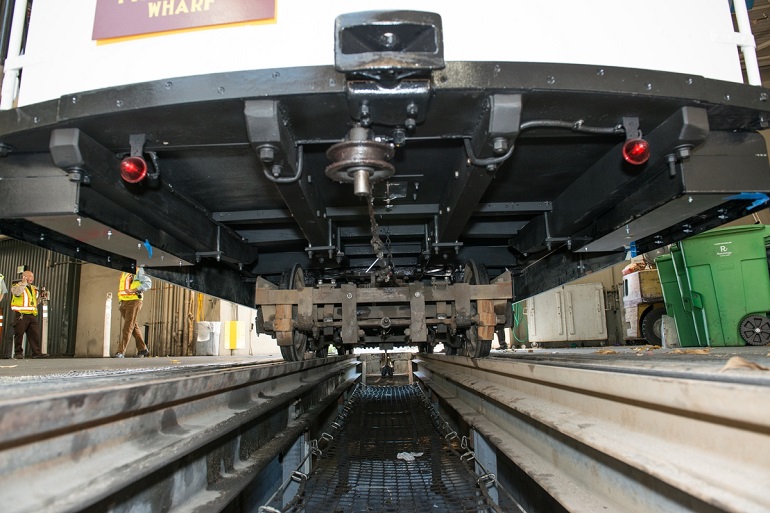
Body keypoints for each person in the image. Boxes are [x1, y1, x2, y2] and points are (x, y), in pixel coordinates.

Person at [115, 267, 152, 358]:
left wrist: (135, 290)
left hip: (134, 301)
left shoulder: (138, 270)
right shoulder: (124, 272)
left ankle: (121, 351)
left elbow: (148, 283)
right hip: (124, 302)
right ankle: (142, 349)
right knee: (133, 326)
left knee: (128, 326)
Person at [11, 270, 47, 359]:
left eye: (32, 277)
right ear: (24, 277)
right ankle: (18, 353)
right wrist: (23, 283)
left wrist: (41, 298)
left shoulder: (34, 288)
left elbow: (34, 302)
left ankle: (36, 353)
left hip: (32, 315)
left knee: (35, 334)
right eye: (30, 276)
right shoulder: (16, 286)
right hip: (21, 314)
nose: (32, 278)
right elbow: (17, 293)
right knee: (19, 334)